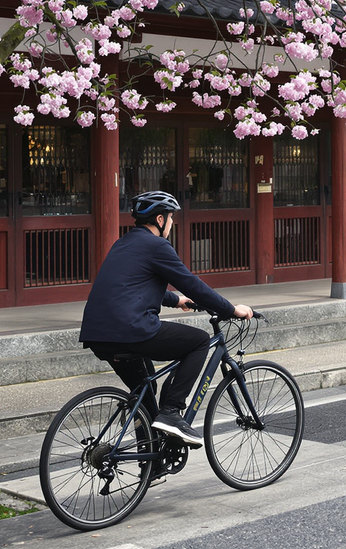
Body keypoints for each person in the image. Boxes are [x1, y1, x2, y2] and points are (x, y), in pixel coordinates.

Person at [79, 191, 253, 445]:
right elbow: (192, 284)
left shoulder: (123, 243)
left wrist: (175, 300)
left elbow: (132, 286)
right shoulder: (157, 245)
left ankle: (147, 460)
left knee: (144, 391)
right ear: (160, 220)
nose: (172, 224)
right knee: (199, 340)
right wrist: (230, 309)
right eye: (171, 218)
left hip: (98, 334)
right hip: (131, 329)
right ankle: (171, 412)